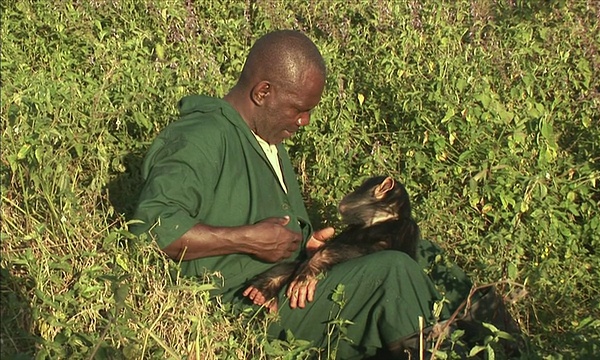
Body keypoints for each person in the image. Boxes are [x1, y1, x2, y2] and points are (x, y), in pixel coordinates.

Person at [131, 30, 499, 359]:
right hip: (246, 304)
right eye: (299, 109)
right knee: (395, 272)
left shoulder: (267, 140)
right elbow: (151, 228)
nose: (304, 121)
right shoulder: (202, 135)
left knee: (419, 251)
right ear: (263, 92)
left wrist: (307, 246)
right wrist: (250, 241)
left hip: (288, 285)